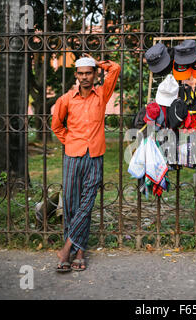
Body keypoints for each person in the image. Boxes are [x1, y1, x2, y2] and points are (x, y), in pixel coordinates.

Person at [51, 55, 120, 272]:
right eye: (80, 73)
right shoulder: (65, 100)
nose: (84, 77)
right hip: (73, 156)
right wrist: (71, 141)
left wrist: (95, 61)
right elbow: (56, 127)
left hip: (95, 156)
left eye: (88, 73)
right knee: (71, 206)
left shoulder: (102, 94)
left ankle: (68, 249)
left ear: (95, 74)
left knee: (87, 203)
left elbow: (115, 68)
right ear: (76, 76)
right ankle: (78, 253)